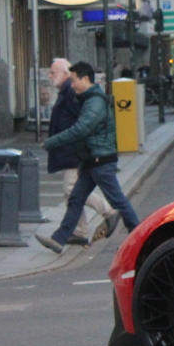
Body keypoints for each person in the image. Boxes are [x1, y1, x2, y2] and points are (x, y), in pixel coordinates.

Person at [36, 62, 140, 254]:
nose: (72, 84)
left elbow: (81, 129)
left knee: (117, 200)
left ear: (85, 79)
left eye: (74, 80)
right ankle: (59, 239)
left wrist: (51, 142)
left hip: (100, 160)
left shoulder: (95, 102)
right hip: (91, 159)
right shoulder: (87, 99)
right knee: (75, 198)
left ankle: (139, 238)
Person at [48, 58, 117, 246]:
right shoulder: (66, 91)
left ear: (65, 74)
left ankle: (109, 212)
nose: (50, 76)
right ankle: (80, 232)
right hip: (71, 151)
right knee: (71, 193)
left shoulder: (70, 92)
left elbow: (82, 122)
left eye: (53, 72)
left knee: (72, 191)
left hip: (73, 151)